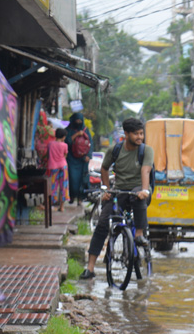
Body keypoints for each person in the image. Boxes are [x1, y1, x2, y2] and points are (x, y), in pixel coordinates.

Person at [80, 118, 153, 280]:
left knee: (138, 199)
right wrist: (107, 189)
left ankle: (139, 235)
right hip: (119, 191)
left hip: (140, 190)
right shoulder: (115, 150)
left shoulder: (146, 150)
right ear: (126, 134)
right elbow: (104, 168)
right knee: (103, 223)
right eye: (136, 134)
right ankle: (90, 268)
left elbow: (146, 171)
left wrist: (144, 190)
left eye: (141, 134)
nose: (140, 137)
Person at [66, 112, 92, 206]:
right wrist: (76, 134)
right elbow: (67, 141)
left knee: (82, 179)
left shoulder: (86, 130)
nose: (78, 122)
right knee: (72, 179)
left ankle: (80, 198)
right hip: (71, 159)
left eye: (80, 120)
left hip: (83, 160)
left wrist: (88, 155)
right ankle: (72, 197)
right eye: (77, 120)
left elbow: (90, 143)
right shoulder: (68, 130)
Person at [47, 128, 69, 211]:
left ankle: (50, 205)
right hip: (63, 166)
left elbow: (48, 155)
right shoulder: (64, 145)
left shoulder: (50, 144)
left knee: (53, 186)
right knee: (64, 186)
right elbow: (65, 155)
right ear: (63, 137)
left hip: (53, 167)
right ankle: (62, 207)